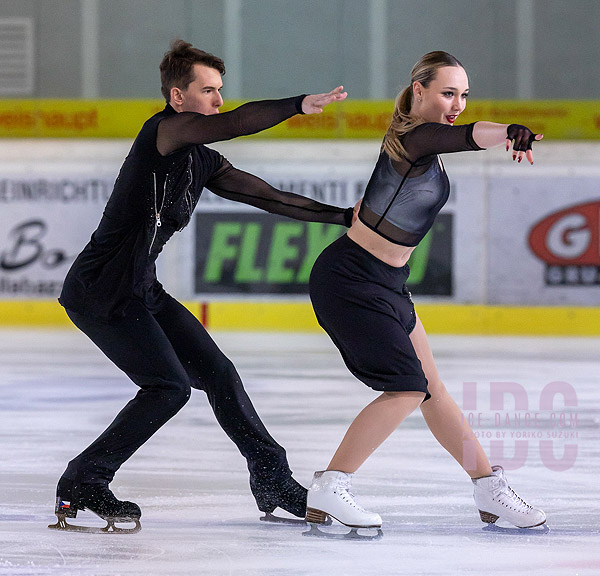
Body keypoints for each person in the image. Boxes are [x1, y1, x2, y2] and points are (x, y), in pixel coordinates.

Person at [49, 39, 353, 533]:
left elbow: (270, 198)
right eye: (207, 90)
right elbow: (233, 124)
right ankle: (84, 479)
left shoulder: (201, 162)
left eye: (220, 90)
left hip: (141, 289)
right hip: (101, 290)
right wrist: (298, 105)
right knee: (167, 388)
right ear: (177, 97)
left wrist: (342, 216)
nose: (218, 100)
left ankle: (272, 479)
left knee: (220, 374)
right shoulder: (163, 135)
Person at [305, 51, 546, 535]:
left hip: (387, 283)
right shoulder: (414, 138)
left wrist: (503, 130)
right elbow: (466, 134)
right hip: (351, 280)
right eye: (447, 92)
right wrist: (508, 130)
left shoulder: (420, 146)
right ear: (419, 91)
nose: (456, 103)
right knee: (408, 386)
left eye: (463, 95)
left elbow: (458, 133)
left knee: (431, 389)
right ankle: (331, 488)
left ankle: (488, 489)